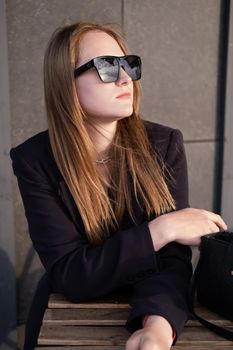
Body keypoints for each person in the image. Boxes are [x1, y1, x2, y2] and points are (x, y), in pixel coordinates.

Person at [10, 22, 227, 350]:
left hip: (151, 304)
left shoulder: (163, 144)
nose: (126, 78)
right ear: (64, 82)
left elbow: (171, 263)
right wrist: (161, 229)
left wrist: (158, 325)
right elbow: (71, 275)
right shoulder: (35, 160)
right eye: (107, 67)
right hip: (70, 316)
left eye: (128, 64)